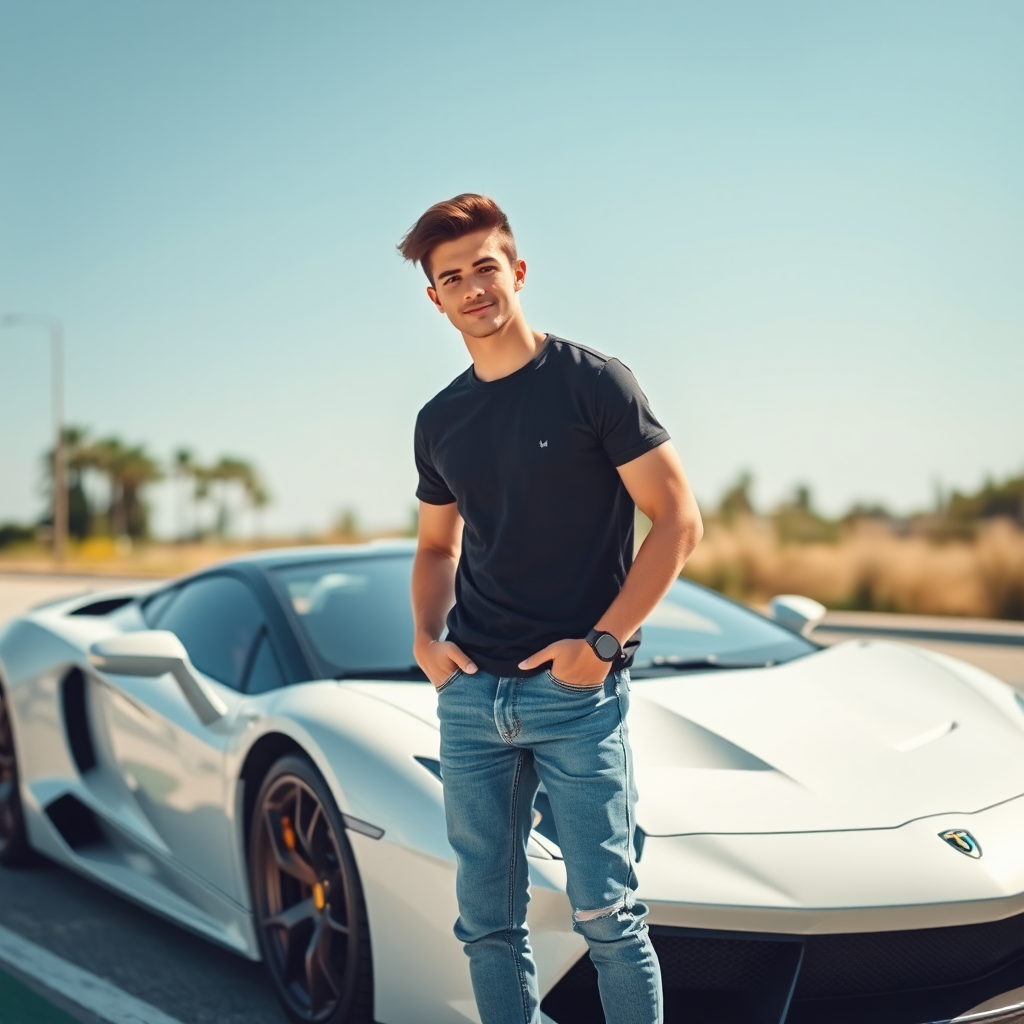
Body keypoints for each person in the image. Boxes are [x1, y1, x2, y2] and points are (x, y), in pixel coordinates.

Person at [400, 193, 703, 1024]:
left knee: (609, 918)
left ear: (518, 270)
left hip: (575, 696)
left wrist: (602, 645)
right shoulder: (440, 419)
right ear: (435, 298)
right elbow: (435, 548)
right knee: (488, 927)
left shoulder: (593, 383)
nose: (472, 288)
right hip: (470, 700)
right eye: (450, 277)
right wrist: (428, 642)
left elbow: (678, 520)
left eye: (485, 267)